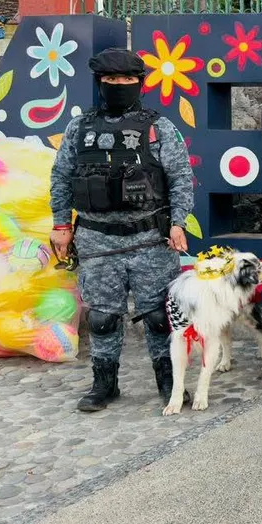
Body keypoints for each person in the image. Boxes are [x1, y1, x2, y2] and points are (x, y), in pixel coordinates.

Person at [49, 48, 194, 412]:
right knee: (102, 317)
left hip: (150, 240)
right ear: (99, 83)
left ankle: (169, 383)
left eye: (127, 80)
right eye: (110, 80)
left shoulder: (159, 128)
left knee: (161, 316)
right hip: (97, 239)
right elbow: (61, 177)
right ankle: (104, 383)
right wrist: (61, 225)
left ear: (139, 83)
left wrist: (178, 223)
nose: (118, 86)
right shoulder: (79, 128)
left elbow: (180, 180)